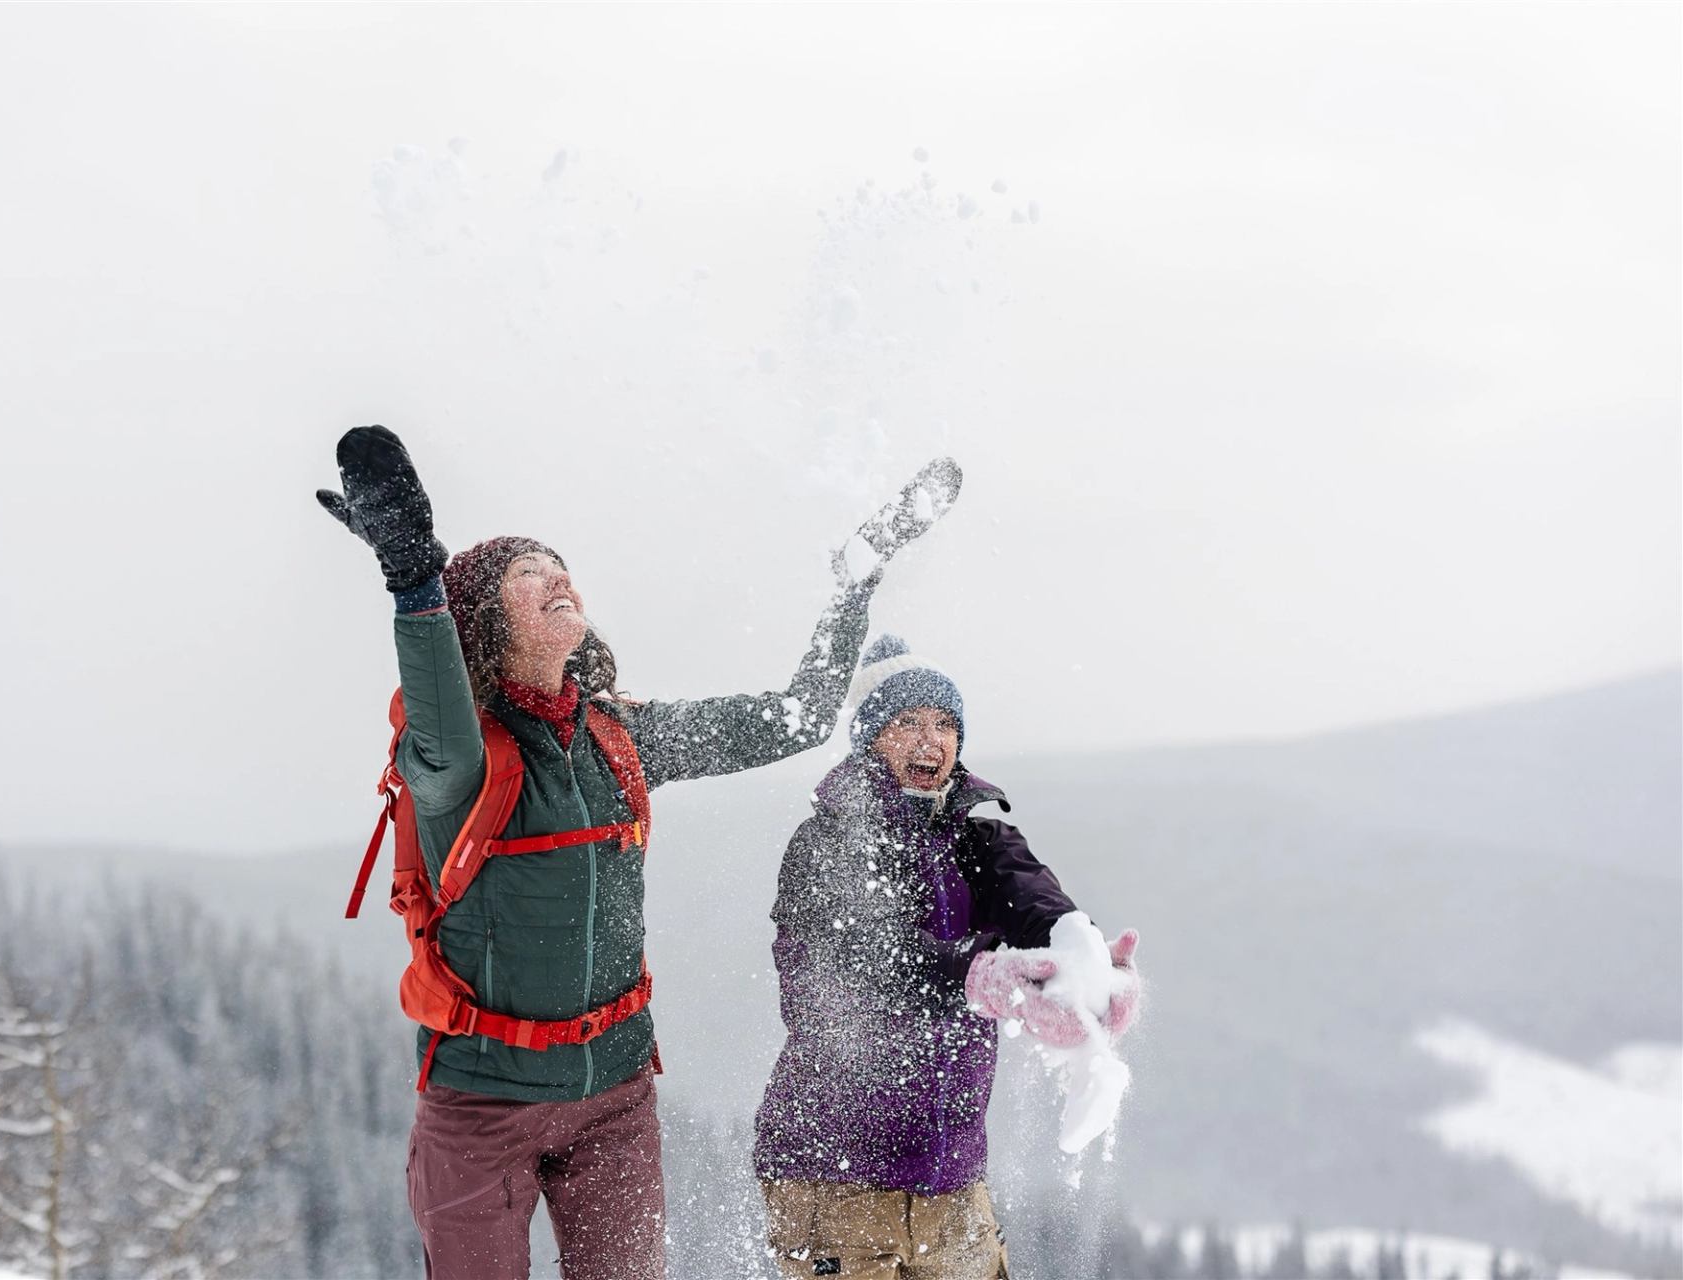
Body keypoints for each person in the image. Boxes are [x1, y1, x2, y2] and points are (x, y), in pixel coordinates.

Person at [316, 427, 956, 1280]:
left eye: (559, 564)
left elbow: (800, 716)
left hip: (614, 1097)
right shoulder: (460, 760)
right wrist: (414, 583)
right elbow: (435, 705)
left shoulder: (622, 735)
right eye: (525, 572)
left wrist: (858, 578)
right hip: (480, 1102)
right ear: (482, 620)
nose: (556, 577)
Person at [751, 635, 1143, 1280]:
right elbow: (858, 961)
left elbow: (1037, 901)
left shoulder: (978, 838)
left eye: (944, 724)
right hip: (834, 1172)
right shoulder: (825, 844)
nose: (929, 739)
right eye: (906, 723)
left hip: (952, 1172)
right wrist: (977, 973)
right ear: (871, 738)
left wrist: (1087, 970)